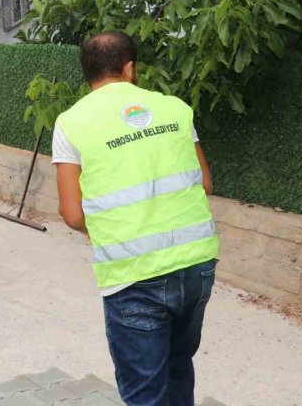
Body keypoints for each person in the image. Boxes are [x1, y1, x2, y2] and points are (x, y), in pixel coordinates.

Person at [52, 31, 219, 406]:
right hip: (196, 265)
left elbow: (72, 213)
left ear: (87, 72)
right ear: (129, 68)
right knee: (178, 365)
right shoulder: (174, 108)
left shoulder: (71, 122)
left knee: (145, 391)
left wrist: (112, 230)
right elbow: (205, 183)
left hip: (133, 275)